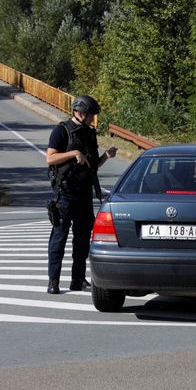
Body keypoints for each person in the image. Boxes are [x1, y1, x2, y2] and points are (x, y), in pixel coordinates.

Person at [46, 95, 117, 294]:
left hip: (85, 194)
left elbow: (91, 165)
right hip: (65, 194)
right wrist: (73, 153)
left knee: (83, 239)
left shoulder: (89, 133)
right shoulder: (61, 131)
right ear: (80, 113)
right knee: (59, 238)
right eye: (91, 115)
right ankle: (53, 281)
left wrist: (106, 157)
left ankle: (78, 280)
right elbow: (50, 158)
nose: (92, 119)